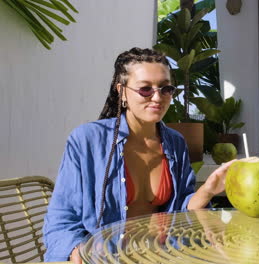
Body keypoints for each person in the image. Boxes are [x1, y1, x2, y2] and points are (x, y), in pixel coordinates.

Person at [43, 48, 234, 262]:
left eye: (165, 88)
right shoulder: (88, 140)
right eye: (145, 89)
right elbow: (61, 220)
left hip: (161, 255)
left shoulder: (175, 143)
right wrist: (76, 251)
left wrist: (208, 190)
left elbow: (181, 213)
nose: (157, 97)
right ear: (122, 91)